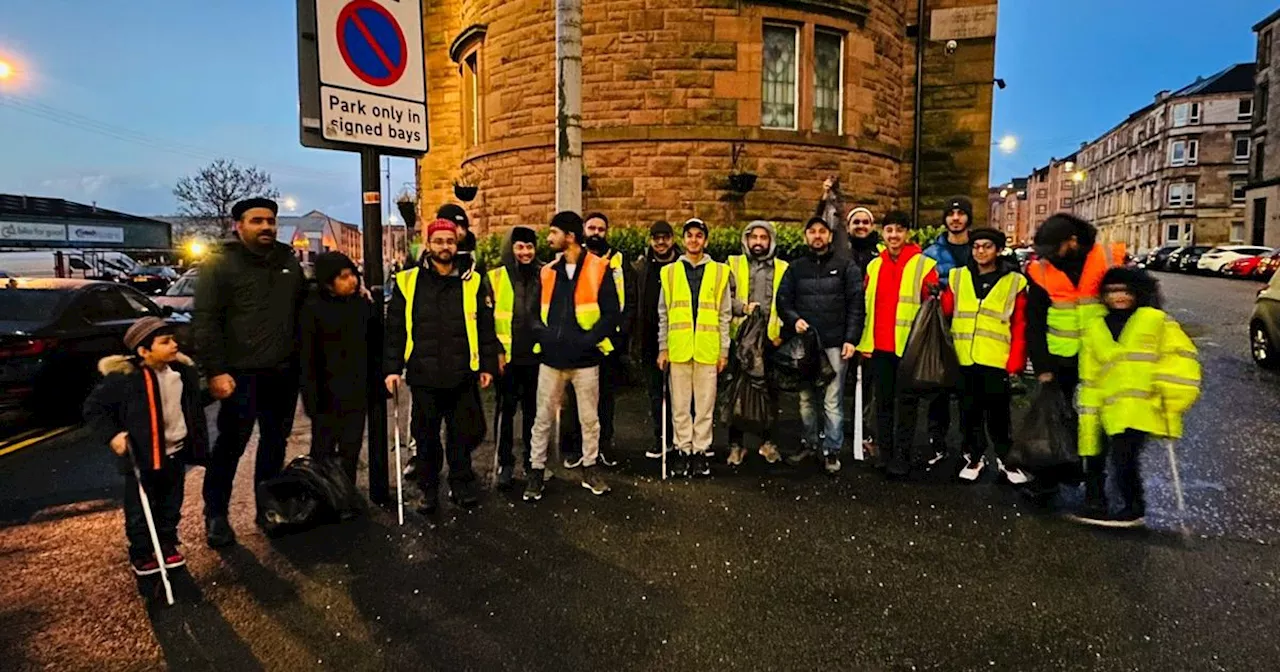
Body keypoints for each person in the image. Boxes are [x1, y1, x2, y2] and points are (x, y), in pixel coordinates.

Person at [195, 197, 307, 548]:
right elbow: (206, 321)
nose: (266, 227)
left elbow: (304, 303)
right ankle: (215, 515)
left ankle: (268, 509)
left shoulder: (288, 260)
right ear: (238, 226)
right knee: (231, 445)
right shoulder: (219, 264)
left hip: (283, 373)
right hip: (240, 375)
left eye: (270, 221)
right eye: (257, 221)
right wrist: (215, 370)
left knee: (275, 444)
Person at [385, 218, 500, 513]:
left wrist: (487, 365)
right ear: (428, 244)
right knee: (425, 438)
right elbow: (395, 328)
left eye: (449, 241)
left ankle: (460, 485)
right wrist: (392, 368)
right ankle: (429, 489)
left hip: (462, 372)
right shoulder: (408, 281)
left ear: (456, 243)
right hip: (423, 374)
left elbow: (486, 326)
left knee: (461, 435)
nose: (445, 246)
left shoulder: (473, 279)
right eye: (439, 241)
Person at [1072, 267, 1200, 527]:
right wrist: (1088, 405)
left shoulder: (1155, 321)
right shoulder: (1096, 327)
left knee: (1124, 457)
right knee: (1095, 455)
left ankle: (1133, 507)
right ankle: (1098, 501)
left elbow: (1179, 357)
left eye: (1125, 291)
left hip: (1143, 405)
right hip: (1106, 407)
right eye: (1112, 291)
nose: (1119, 297)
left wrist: (1170, 393)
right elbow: (1091, 371)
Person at [83, 317, 209, 576]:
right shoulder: (125, 379)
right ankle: (141, 551)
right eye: (165, 342)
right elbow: (95, 409)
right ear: (143, 350)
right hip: (143, 455)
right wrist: (113, 435)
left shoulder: (181, 373)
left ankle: (166, 543)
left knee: (171, 502)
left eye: (173, 339)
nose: (175, 345)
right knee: (140, 508)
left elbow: (191, 404)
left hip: (175, 452)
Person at [1023, 213, 1126, 502]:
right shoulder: (1043, 269)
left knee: (1096, 424)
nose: (1049, 257)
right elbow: (1035, 321)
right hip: (1061, 360)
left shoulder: (1107, 260)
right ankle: (1049, 481)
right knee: (1054, 422)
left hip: (1101, 358)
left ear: (1073, 241)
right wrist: (1042, 367)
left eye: (1054, 250)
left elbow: (1134, 303)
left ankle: (1095, 487)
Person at [522, 211, 621, 502]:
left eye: (554, 232)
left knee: (590, 419)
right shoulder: (547, 271)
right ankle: (536, 471)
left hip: (585, 360)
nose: (549, 238)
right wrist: (546, 336)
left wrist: (587, 341)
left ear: (570, 237)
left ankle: (590, 468)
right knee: (542, 419)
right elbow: (533, 315)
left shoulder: (600, 268)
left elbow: (610, 314)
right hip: (552, 360)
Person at [939, 229, 1029, 483]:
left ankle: (1006, 459)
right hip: (964, 356)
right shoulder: (958, 277)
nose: (980, 251)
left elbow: (1020, 323)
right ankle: (974, 456)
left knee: (999, 414)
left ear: (998, 250)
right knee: (969, 412)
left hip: (996, 358)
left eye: (987, 246)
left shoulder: (1014, 281)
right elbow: (947, 310)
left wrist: (1016, 361)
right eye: (976, 246)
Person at [776, 216, 865, 474]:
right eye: (812, 231)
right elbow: (784, 301)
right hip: (805, 346)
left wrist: (851, 338)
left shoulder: (846, 267)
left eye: (822, 231)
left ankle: (831, 451)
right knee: (805, 399)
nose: (817, 236)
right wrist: (794, 320)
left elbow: (856, 306)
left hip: (835, 344)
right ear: (806, 236)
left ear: (829, 236)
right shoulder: (796, 268)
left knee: (832, 400)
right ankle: (809, 443)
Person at [856, 211, 940, 478]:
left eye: (899, 230)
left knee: (907, 405)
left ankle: (902, 456)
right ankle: (885, 452)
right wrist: (863, 343)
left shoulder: (924, 265)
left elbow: (933, 308)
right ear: (883, 233)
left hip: (909, 348)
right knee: (882, 404)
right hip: (879, 346)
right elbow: (866, 307)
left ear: (908, 233)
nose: (893, 235)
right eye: (889, 230)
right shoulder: (873, 266)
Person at [657, 218, 732, 478]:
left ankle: (700, 451)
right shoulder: (668, 272)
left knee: (704, 405)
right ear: (684, 239)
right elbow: (663, 314)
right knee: (679, 405)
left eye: (699, 236)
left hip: (708, 349)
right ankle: (682, 449)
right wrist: (662, 348)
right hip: (678, 348)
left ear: (706, 240)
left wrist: (724, 351)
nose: (694, 240)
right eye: (689, 235)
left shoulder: (721, 272)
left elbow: (725, 314)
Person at [560, 212, 635, 468]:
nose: (596, 233)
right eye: (591, 227)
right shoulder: (572, 261)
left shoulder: (619, 261)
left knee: (605, 397)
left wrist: (619, 335)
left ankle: (603, 446)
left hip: (608, 343)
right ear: (583, 230)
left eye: (601, 229)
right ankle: (573, 448)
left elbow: (629, 301)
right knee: (575, 397)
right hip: (578, 341)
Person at [300, 251, 373, 487]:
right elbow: (307, 358)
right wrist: (311, 398)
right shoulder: (312, 309)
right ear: (328, 282)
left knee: (351, 448)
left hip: (356, 390)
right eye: (343, 277)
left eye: (353, 274)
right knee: (323, 450)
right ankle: (323, 495)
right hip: (326, 394)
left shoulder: (361, 305)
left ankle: (345, 493)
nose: (351, 280)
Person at [726, 220, 789, 465]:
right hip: (740, 341)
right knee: (736, 394)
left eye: (764, 237)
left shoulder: (783, 268)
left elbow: (788, 302)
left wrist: (782, 334)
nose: (759, 242)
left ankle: (767, 443)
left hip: (771, 341)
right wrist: (742, 309)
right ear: (746, 240)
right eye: (754, 237)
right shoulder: (732, 264)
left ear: (771, 241)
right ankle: (736, 445)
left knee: (770, 394)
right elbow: (724, 299)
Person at [921, 196, 974, 467]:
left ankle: (970, 448)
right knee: (938, 389)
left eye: (961, 214)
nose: (955, 219)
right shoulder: (930, 253)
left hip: (972, 331)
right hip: (941, 328)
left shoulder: (979, 249)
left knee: (969, 394)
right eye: (951, 214)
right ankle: (936, 442)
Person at [489, 226, 542, 490]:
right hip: (507, 359)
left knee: (534, 415)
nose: (525, 252)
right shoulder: (495, 277)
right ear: (511, 248)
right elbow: (488, 321)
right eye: (520, 246)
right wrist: (497, 351)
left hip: (535, 358)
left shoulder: (545, 274)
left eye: (530, 246)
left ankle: (533, 463)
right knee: (505, 414)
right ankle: (505, 463)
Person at [632, 221, 681, 459]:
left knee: (680, 395)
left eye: (665, 237)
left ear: (672, 239)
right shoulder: (641, 268)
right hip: (649, 340)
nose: (661, 242)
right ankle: (661, 438)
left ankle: (682, 440)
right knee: (656, 393)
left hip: (680, 338)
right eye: (656, 238)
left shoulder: (682, 265)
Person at [437, 203, 481, 273]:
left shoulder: (475, 255)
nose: (461, 232)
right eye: (455, 226)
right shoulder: (425, 256)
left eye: (463, 227)